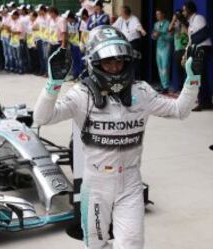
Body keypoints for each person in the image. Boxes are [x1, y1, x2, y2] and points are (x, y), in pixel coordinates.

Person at [34, 25, 202, 249]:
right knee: (96, 245)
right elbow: (42, 118)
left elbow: (180, 110)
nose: (114, 67)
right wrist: (53, 85)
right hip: (95, 185)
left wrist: (193, 80)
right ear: (94, 63)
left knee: (132, 244)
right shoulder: (81, 94)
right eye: (107, 62)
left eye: (119, 61)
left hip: (131, 184)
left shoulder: (141, 92)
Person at [182, 1, 212, 111]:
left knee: (200, 76)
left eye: (184, 10)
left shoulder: (198, 18)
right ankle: (205, 101)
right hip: (197, 49)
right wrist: (185, 55)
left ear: (189, 10)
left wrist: (192, 42)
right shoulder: (190, 22)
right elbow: (191, 41)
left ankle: (204, 102)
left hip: (203, 48)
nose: (183, 12)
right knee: (199, 76)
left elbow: (203, 34)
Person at [113, 5, 147, 79]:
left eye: (121, 12)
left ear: (125, 13)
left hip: (134, 42)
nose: (120, 13)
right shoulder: (120, 19)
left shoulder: (134, 19)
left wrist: (142, 30)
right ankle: (128, 78)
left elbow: (138, 26)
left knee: (135, 61)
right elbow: (114, 27)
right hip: (125, 43)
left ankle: (137, 79)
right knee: (126, 61)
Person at [152, 9, 173, 93]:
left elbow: (171, 37)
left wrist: (161, 34)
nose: (157, 16)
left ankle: (166, 86)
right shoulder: (156, 24)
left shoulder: (168, 23)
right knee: (160, 67)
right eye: (156, 14)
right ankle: (163, 84)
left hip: (166, 47)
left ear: (163, 14)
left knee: (165, 66)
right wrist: (154, 36)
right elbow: (153, 36)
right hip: (158, 47)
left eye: (159, 14)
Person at [169, 9, 189, 92]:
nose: (177, 16)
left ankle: (186, 88)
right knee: (178, 70)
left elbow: (188, 32)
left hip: (185, 49)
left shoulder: (186, 23)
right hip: (177, 49)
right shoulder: (175, 24)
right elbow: (169, 31)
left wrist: (182, 21)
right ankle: (180, 88)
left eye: (178, 15)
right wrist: (173, 20)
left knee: (186, 70)